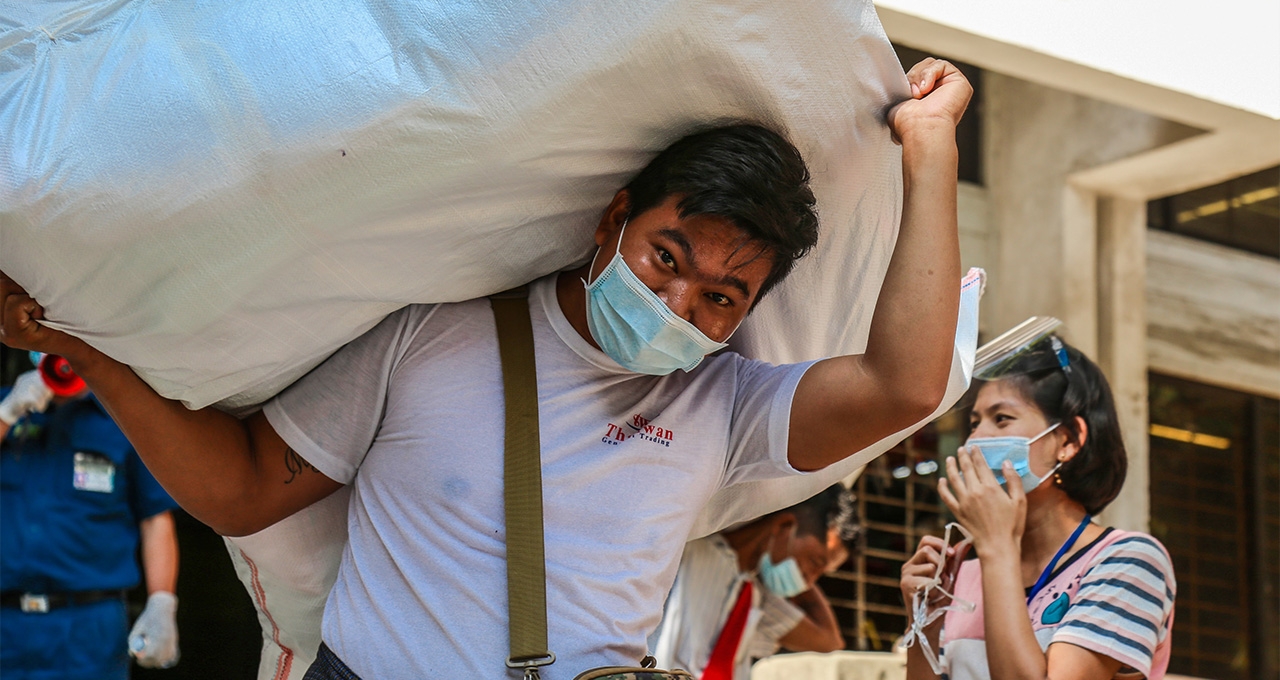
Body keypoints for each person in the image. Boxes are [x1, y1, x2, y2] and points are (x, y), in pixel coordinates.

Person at [1, 57, 971, 678]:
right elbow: (248, 487)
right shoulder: (436, 330)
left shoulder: (723, 400)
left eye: (720, 297)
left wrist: (930, 153)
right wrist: (88, 348)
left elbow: (905, 385)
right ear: (611, 220)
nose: (679, 304)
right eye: (665, 258)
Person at [899, 337, 1176, 680]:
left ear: (1069, 440)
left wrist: (998, 547)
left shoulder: (1128, 560)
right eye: (974, 423)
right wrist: (923, 622)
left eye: (1001, 419)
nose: (975, 441)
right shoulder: (962, 571)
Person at [0, 364, 181, 679]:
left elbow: (155, 520)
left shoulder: (124, 419)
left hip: (89, 624)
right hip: (6, 620)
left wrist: (161, 602)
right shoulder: (7, 403)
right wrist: (5, 414)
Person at [650, 485, 852, 680]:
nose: (809, 582)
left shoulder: (753, 596)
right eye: (815, 562)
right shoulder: (689, 546)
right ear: (784, 526)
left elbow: (829, 640)